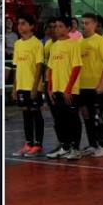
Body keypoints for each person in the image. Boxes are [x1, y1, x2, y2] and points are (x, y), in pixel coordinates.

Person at [45, 16, 83, 160]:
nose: (57, 29)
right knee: (60, 119)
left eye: (61, 26)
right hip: (56, 90)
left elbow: (76, 67)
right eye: (56, 26)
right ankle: (65, 146)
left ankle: (75, 148)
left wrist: (68, 89)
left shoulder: (73, 44)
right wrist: (49, 87)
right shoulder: (54, 46)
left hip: (70, 90)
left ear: (68, 28)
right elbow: (51, 69)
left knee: (73, 118)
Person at [77, 13, 103, 157]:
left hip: (96, 86)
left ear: (95, 24)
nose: (84, 26)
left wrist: (102, 83)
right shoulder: (79, 42)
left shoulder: (101, 41)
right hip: (82, 86)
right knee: (86, 116)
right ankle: (92, 144)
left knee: (97, 116)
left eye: (87, 23)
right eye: (83, 23)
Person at [12, 14, 45, 157]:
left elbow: (39, 67)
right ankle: (28, 143)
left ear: (32, 26)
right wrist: (15, 87)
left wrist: (35, 87)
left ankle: (38, 144)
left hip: (33, 86)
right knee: (25, 114)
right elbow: (17, 67)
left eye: (24, 23)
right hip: (21, 85)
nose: (20, 26)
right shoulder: (17, 44)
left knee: (35, 113)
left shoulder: (37, 43)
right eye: (19, 23)